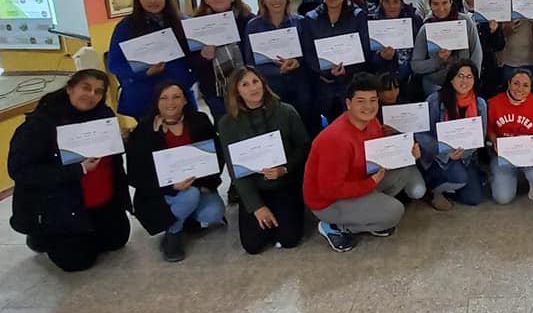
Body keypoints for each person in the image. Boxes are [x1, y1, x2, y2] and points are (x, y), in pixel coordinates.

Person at [8, 69, 131, 272]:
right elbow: (19, 170)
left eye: (98, 91)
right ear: (69, 88)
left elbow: (114, 158)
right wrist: (77, 169)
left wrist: (123, 140)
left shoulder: (104, 115)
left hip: (104, 200)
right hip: (65, 205)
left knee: (116, 242)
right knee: (76, 263)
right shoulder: (41, 124)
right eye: (86, 88)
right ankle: (40, 235)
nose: (91, 95)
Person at [304, 73, 422, 252]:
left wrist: (408, 149)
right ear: (348, 103)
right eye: (361, 101)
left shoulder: (372, 121)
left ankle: (369, 214)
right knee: (394, 212)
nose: (368, 106)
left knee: (405, 166)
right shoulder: (335, 140)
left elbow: (381, 148)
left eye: (373, 100)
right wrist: (370, 183)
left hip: (359, 178)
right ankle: (334, 226)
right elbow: (329, 190)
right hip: (328, 202)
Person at [126, 82, 225, 262]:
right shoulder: (144, 130)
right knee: (189, 196)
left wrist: (207, 184)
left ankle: (184, 217)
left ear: (185, 100)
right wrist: (171, 187)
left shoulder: (200, 120)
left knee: (214, 212)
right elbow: (136, 175)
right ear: (156, 102)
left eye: (176, 97)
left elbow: (217, 155)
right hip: (159, 193)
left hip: (198, 185)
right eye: (163, 98)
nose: (170, 102)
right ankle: (173, 233)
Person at [219, 66, 309, 255]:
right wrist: (257, 207)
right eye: (245, 84)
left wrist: (284, 169)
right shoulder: (227, 124)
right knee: (253, 246)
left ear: (263, 83)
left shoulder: (286, 111)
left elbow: (303, 148)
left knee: (289, 239)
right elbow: (235, 171)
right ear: (236, 91)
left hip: (285, 183)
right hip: (254, 187)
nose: (252, 88)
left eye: (255, 81)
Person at [107, 0, 196, 119]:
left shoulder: (183, 22)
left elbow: (197, 57)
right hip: (143, 97)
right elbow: (115, 64)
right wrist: (146, 73)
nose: (152, 0)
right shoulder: (125, 27)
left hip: (179, 94)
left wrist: (188, 80)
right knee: (151, 132)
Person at [301, 0, 371, 129]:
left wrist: (347, 70)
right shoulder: (311, 19)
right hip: (322, 85)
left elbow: (365, 49)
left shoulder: (357, 16)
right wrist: (327, 73)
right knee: (325, 129)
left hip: (350, 83)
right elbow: (308, 53)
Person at [414, 61, 486, 210]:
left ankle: (451, 186)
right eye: (460, 76)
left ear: (474, 80)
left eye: (469, 76)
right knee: (459, 177)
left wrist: (463, 153)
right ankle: (432, 190)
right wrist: (446, 152)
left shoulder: (480, 104)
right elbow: (421, 134)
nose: (464, 80)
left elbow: (481, 136)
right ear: (451, 79)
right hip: (438, 157)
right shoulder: (435, 100)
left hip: (465, 157)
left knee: (473, 199)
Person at [190, 0, 254, 121]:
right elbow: (192, 64)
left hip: (249, 86)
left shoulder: (249, 20)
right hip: (215, 93)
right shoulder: (196, 26)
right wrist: (204, 57)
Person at [241, 0, 306, 118]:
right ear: (262, 0)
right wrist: (277, 71)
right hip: (269, 88)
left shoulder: (300, 22)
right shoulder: (253, 26)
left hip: (300, 86)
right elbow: (250, 63)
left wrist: (297, 62)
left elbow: (309, 54)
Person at [487, 68, 533, 204]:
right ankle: (499, 177)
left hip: (529, 154)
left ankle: (532, 182)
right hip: (503, 156)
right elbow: (489, 130)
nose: (520, 89)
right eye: (516, 83)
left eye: (525, 85)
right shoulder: (493, 103)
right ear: (509, 83)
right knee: (502, 198)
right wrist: (495, 141)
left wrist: (531, 153)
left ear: (531, 88)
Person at [411, 0, 483, 94]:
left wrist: (471, 78)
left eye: (444, 3)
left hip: (464, 82)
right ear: (430, 5)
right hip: (436, 84)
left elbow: (477, 53)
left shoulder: (466, 22)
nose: (441, 8)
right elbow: (416, 66)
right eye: (435, 4)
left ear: (451, 2)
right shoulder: (426, 28)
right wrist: (438, 61)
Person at [454, 0, 506, 99]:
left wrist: (494, 31)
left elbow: (499, 45)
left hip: (486, 69)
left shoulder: (490, 10)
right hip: (460, 68)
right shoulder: (454, 11)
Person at [370, 0, 424, 102]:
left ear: (401, 3)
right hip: (384, 83)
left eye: (395, 2)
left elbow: (421, 49)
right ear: (381, 3)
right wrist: (381, 57)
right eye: (387, 2)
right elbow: (368, 59)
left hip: (411, 79)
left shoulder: (414, 20)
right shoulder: (373, 23)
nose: (391, 6)